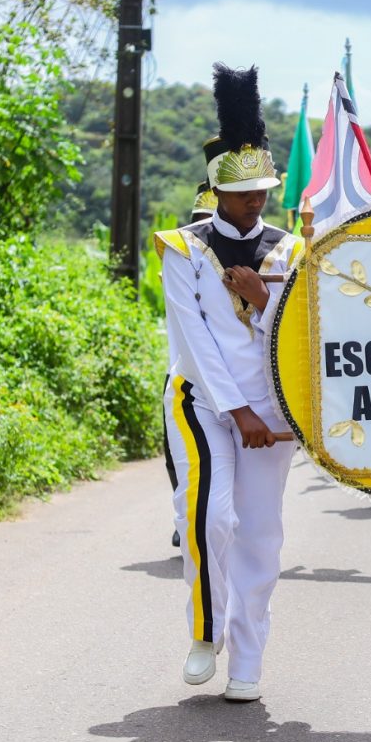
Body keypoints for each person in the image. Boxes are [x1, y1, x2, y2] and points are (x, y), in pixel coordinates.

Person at [155, 63, 303, 701]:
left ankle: (248, 662)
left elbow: (299, 333)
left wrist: (263, 301)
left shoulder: (291, 250)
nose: (255, 202)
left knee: (262, 536)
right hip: (204, 403)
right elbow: (196, 341)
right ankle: (204, 632)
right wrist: (238, 411)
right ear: (215, 193)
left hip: (273, 412)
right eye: (244, 194)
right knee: (211, 518)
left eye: (263, 191)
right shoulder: (182, 249)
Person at [167, 179, 218, 549]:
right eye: (197, 221)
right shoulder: (179, 256)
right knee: (179, 459)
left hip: (231, 381)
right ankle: (185, 517)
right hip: (184, 374)